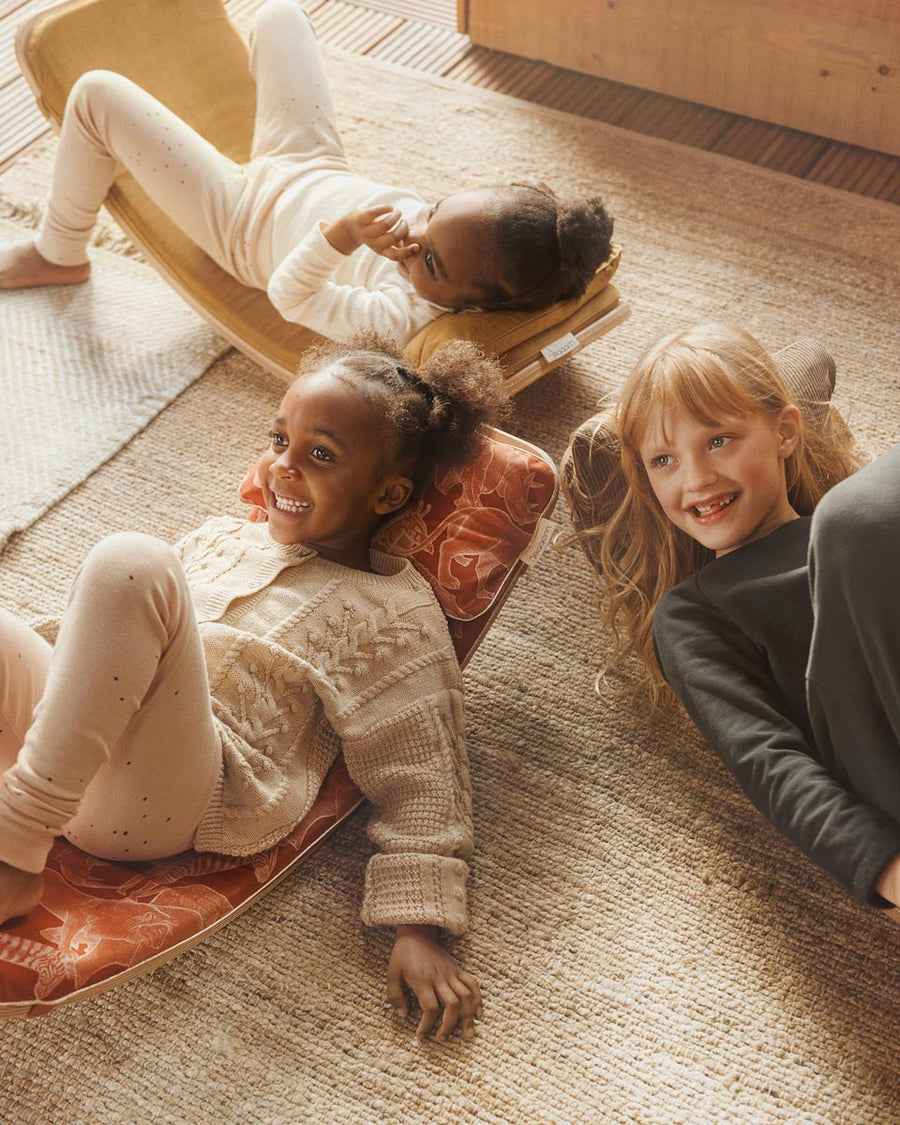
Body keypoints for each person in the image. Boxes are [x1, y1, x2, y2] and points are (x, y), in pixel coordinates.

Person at [0, 333, 510, 1041]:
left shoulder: (395, 612)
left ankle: (14, 851)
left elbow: (425, 771)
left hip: (169, 799)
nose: (282, 467)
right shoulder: (223, 537)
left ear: (389, 493)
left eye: (319, 454)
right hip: (73, 753)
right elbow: (106, 644)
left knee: (129, 561)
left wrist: (419, 926)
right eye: (279, 439)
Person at [0, 0, 614, 345]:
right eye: (432, 211)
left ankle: (59, 250)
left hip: (243, 218)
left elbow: (292, 297)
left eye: (431, 263)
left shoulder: (400, 316)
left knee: (96, 94)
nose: (413, 237)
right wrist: (397, 220)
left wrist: (341, 235)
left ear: (471, 310)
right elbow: (440, 231)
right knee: (280, 16)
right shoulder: (459, 247)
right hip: (310, 161)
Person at [579, 322, 900, 912]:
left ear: (785, 432)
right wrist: (888, 868)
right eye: (664, 459)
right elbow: (768, 761)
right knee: (856, 518)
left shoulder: (849, 528)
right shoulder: (694, 612)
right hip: (884, 753)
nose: (696, 478)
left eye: (719, 440)